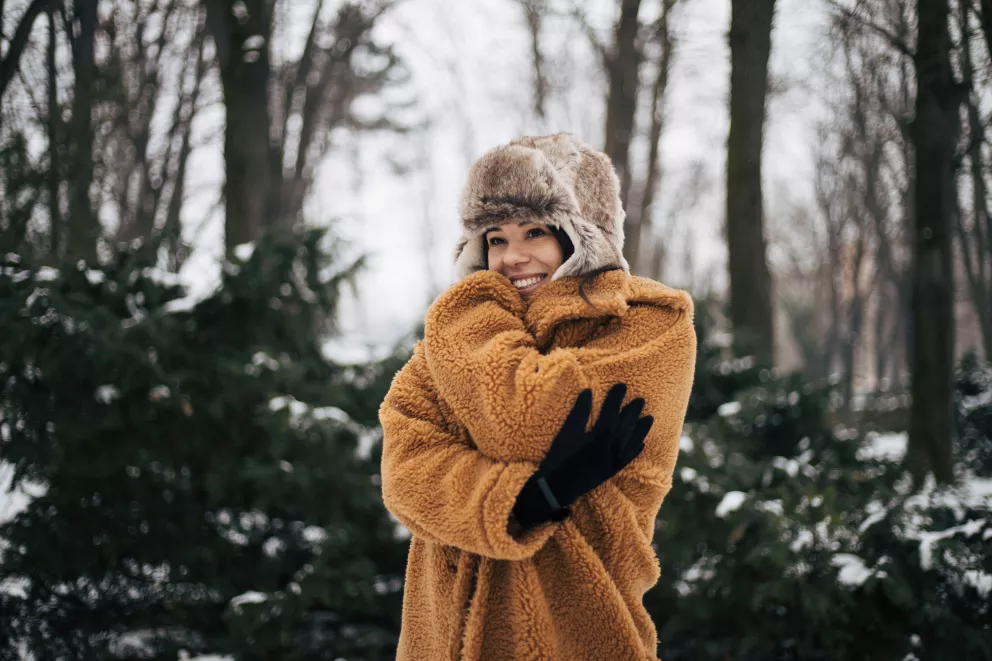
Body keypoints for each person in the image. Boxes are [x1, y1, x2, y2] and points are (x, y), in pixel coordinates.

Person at [379, 133, 697, 661]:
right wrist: (528, 500)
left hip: (578, 630)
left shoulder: (647, 323)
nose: (511, 257)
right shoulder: (457, 336)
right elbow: (405, 473)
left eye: (535, 232)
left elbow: (524, 422)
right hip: (441, 639)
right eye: (495, 238)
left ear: (583, 235)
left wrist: (468, 303)